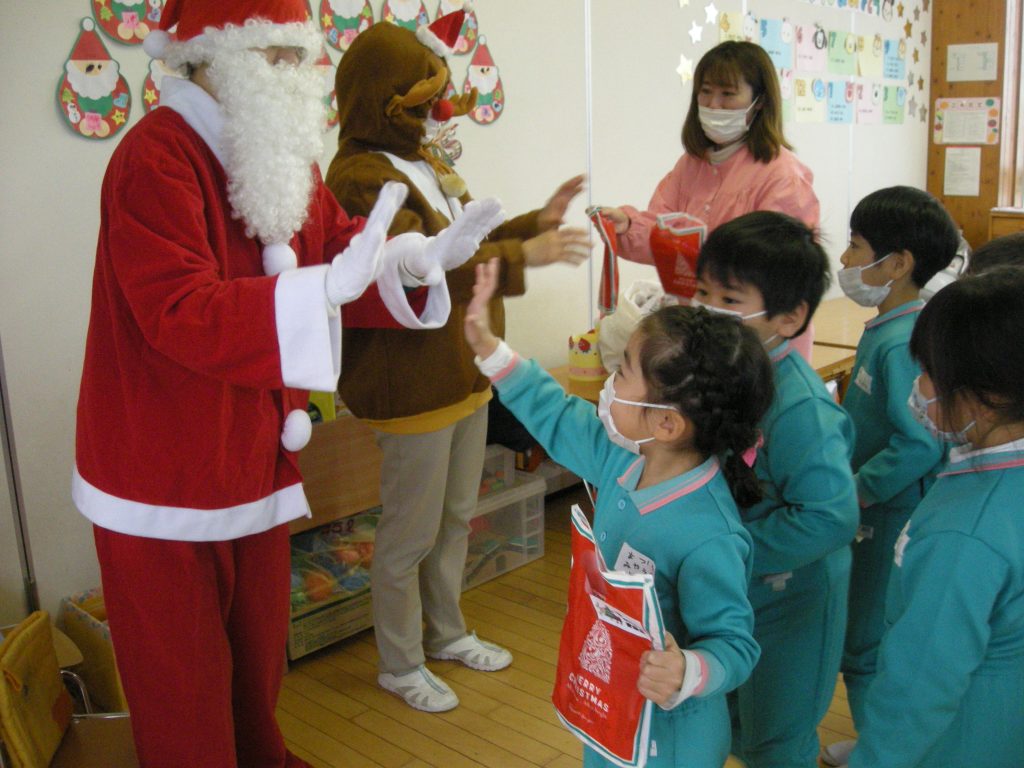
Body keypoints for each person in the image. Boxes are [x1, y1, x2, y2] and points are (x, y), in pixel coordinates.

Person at [72, 1, 505, 765]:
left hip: (254, 455)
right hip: (164, 469)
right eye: (271, 55)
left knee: (255, 660)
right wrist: (322, 289)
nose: (291, 73)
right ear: (211, 56)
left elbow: (341, 253)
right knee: (182, 685)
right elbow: (178, 311)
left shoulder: (280, 155)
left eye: (295, 57)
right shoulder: (154, 159)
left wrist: (413, 260)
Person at [324, 17, 591, 712]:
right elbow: (421, 267)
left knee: (454, 520)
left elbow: (466, 241)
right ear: (381, 100)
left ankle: (444, 632)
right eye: (420, 101)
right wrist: (520, 256)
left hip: (464, 372)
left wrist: (533, 224)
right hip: (411, 384)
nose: (434, 113)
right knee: (408, 534)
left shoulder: (426, 161)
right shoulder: (359, 176)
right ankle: (399, 661)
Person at [465, 257, 772, 767]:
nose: (610, 382)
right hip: (611, 705)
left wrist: (687, 669)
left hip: (672, 740)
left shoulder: (709, 535)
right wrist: (491, 349)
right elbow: (558, 415)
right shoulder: (624, 458)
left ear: (667, 424)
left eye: (622, 372)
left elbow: (735, 645)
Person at [692, 211, 859, 768]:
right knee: (735, 722)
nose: (706, 309)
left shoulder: (800, 406)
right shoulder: (730, 374)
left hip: (793, 600)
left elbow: (830, 517)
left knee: (777, 738)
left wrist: (731, 549)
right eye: (702, 292)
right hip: (737, 589)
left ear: (790, 317)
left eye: (729, 300)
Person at [846, 266, 1024, 768]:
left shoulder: (962, 532)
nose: (919, 388)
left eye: (928, 372)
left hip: (962, 739)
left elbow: (917, 688)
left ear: (988, 395)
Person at [819, 187, 958, 767]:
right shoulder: (892, 325)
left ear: (898, 263)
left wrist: (858, 490)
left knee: (865, 644)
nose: (845, 261)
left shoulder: (901, 341)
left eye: (855, 247)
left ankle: (881, 753)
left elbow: (918, 442)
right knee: (872, 634)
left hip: (887, 512)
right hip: (880, 509)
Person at [595, 41, 820, 359]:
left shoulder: (781, 175)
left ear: (759, 102)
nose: (714, 104)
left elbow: (782, 268)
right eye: (706, 92)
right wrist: (628, 225)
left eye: (728, 94)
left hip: (758, 342)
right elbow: (663, 236)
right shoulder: (690, 165)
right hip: (702, 331)